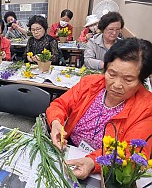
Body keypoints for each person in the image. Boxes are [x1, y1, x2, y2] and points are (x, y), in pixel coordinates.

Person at [46, 37, 152, 180]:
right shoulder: (90, 83)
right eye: (111, 74)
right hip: (69, 149)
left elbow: (133, 153)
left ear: (142, 80)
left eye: (128, 80)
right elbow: (59, 105)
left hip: (105, 169)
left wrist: (93, 161)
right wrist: (56, 123)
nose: (116, 84)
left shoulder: (146, 107)